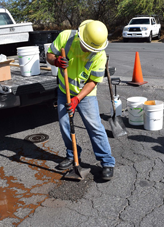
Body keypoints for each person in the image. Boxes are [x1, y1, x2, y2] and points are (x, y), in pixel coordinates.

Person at [46, 20, 115, 180]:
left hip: (85, 94)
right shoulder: (66, 37)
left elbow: (93, 81)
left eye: (93, 49)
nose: (89, 50)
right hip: (64, 91)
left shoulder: (100, 54)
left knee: (95, 126)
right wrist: (55, 61)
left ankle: (107, 162)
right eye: (87, 46)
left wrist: (77, 99)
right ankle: (72, 155)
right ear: (80, 37)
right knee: (65, 125)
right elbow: (49, 55)